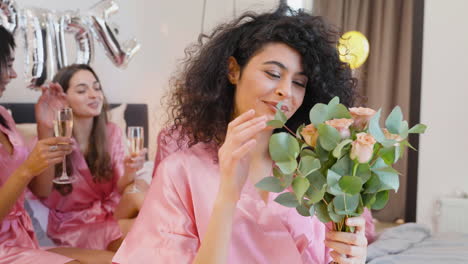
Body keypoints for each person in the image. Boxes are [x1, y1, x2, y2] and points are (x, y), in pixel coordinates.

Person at [114, 4, 374, 264]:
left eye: (298, 83)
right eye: (273, 73)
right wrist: (227, 195)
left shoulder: (312, 172)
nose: (286, 90)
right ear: (233, 71)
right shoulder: (180, 172)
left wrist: (352, 257)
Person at [0, 25, 114, 264]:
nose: (12, 75)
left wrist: (45, 128)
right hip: (5, 246)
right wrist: (26, 169)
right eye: (7, 65)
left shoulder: (4, 117)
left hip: (25, 237)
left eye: (97, 88)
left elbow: (41, 189)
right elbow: (35, 185)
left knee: (119, 259)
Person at [35, 64, 147, 251]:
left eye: (97, 88)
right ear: (63, 99)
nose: (94, 95)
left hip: (111, 211)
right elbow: (42, 191)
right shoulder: (50, 140)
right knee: (144, 230)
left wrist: (130, 171)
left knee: (138, 188)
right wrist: (44, 129)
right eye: (82, 90)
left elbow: (120, 186)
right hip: (75, 224)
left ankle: (180, 226)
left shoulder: (112, 132)